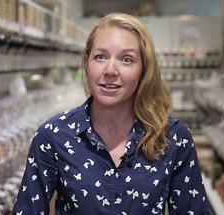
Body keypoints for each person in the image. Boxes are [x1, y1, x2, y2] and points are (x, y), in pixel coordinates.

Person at [12, 13, 211, 215]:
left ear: (144, 69)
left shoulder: (173, 137)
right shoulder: (53, 136)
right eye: (100, 57)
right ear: (87, 62)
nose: (110, 70)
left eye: (126, 59)